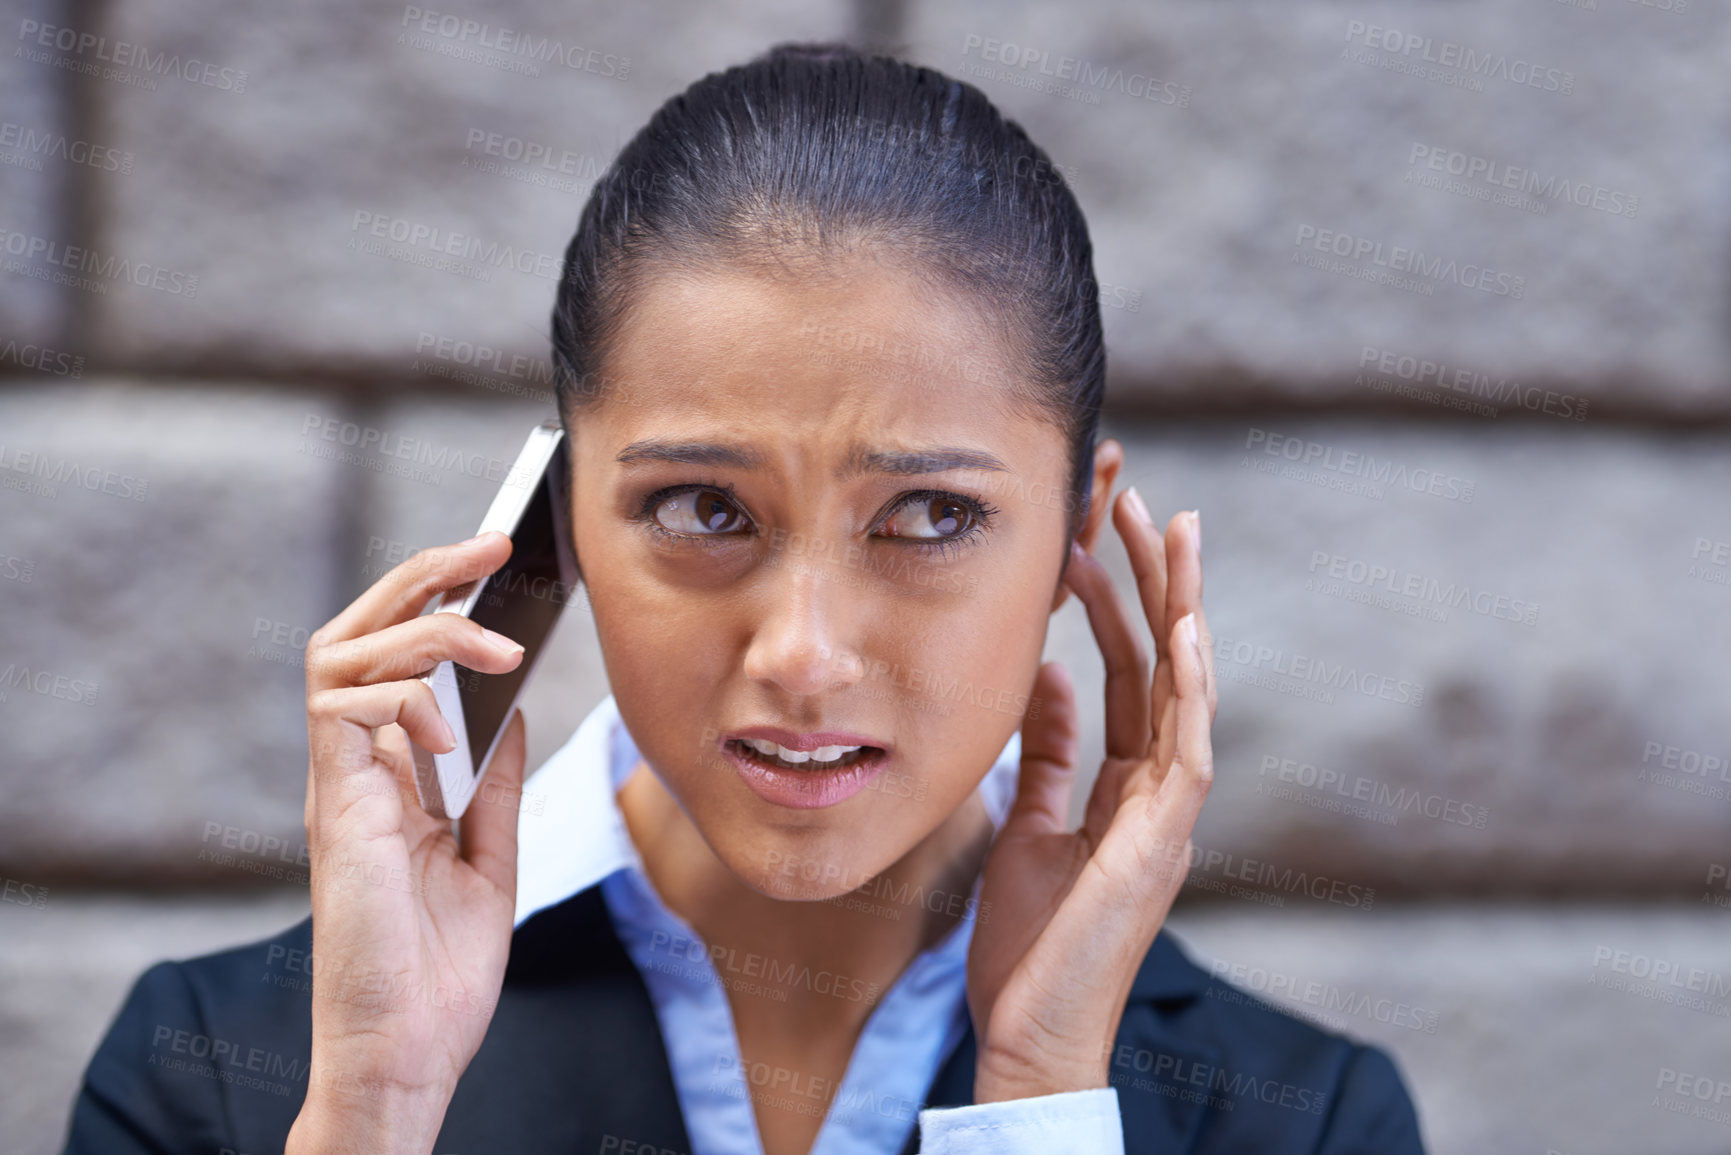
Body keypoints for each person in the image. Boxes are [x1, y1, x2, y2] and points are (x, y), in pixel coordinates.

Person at [63, 41, 1426, 1155]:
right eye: (704, 510)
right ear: (558, 521)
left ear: (1081, 528)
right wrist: (373, 1104)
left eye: (932, 516)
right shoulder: (227, 1083)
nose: (805, 655)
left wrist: (1044, 1091)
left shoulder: (1307, 1124)